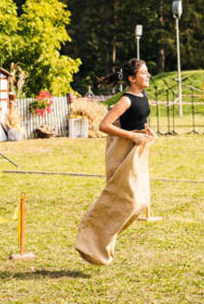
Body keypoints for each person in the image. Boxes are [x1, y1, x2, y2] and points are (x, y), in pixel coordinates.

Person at [76, 59, 156, 266]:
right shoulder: (126, 100)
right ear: (132, 78)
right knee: (127, 201)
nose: (148, 76)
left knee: (141, 201)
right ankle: (89, 237)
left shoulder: (142, 96)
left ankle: (103, 240)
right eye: (144, 73)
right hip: (123, 153)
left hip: (137, 152)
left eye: (147, 73)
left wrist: (146, 131)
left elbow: (140, 119)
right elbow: (104, 125)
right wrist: (132, 136)